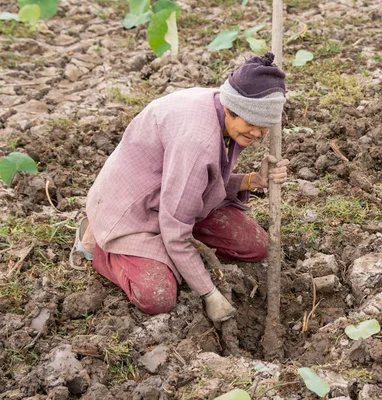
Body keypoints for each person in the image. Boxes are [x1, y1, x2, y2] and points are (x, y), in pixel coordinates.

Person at [70, 53, 289, 323]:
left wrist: (251, 181)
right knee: (157, 295)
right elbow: (175, 228)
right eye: (251, 125)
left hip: (176, 200)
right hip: (134, 212)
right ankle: (100, 246)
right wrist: (208, 292)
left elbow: (202, 184)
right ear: (231, 107)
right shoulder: (197, 141)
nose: (256, 134)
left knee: (253, 246)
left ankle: (176, 256)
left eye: (264, 128)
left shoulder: (226, 108)